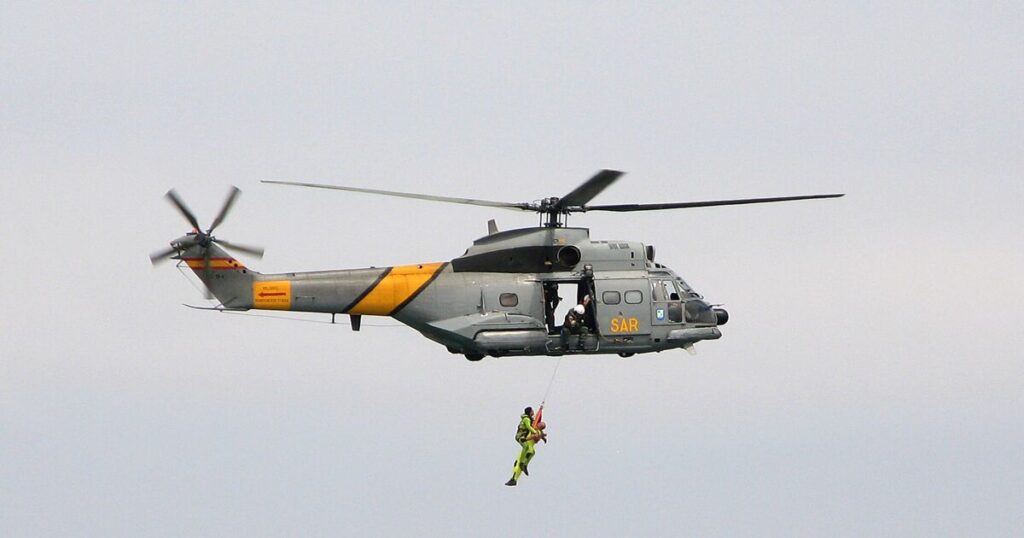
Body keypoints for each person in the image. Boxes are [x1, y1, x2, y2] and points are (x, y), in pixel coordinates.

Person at [505, 406, 545, 486]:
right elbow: (535, 420)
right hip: (527, 447)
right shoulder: (534, 428)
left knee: (523, 459)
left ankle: (517, 474)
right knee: (518, 463)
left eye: (542, 425)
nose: (540, 423)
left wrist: (540, 436)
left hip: (527, 449)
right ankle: (515, 476)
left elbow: (535, 436)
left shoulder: (537, 431)